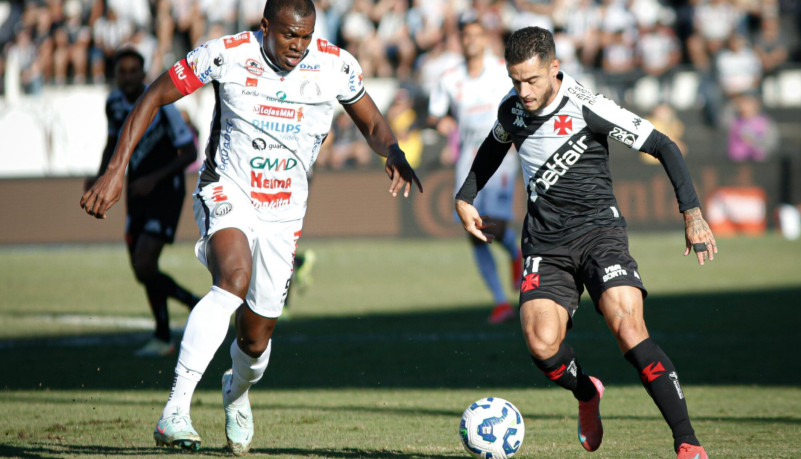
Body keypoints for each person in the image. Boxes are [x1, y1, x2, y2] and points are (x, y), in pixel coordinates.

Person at [80, 0, 422, 455]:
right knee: (233, 278)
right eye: (288, 36)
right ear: (265, 27)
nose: (298, 47)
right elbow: (154, 95)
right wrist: (116, 169)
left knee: (255, 341)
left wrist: (392, 151)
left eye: (305, 36)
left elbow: (373, 121)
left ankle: (236, 392)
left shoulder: (336, 66)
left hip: (284, 212)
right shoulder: (226, 55)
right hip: (227, 189)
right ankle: (175, 410)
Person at [454, 27, 716, 459]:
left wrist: (692, 213)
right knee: (541, 343)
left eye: (532, 80)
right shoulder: (512, 110)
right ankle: (585, 392)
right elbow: (492, 147)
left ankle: (687, 441)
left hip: (600, 234)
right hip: (545, 244)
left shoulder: (588, 107)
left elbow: (663, 145)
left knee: (629, 330)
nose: (523, 91)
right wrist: (465, 196)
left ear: (554, 68)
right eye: (515, 80)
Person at [86, 48, 200, 357]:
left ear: (143, 73)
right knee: (142, 268)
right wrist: (102, 176)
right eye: (121, 71)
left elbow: (189, 153)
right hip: (136, 192)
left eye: (133, 71)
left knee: (145, 262)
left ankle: (193, 306)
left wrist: (154, 178)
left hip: (165, 191)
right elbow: (112, 141)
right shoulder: (113, 104)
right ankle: (165, 334)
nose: (127, 77)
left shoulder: (163, 105)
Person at [428, 13, 522, 324]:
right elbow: (436, 114)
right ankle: (500, 302)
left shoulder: (500, 70)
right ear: (460, 39)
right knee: (471, 229)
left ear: (485, 38)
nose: (470, 40)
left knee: (493, 223)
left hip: (500, 154)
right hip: (467, 156)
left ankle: (515, 254)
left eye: (476, 34)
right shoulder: (450, 77)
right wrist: (444, 127)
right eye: (465, 35)